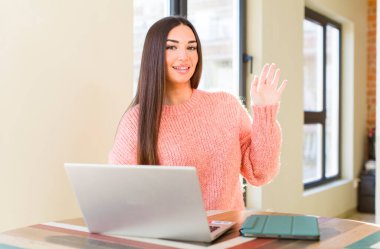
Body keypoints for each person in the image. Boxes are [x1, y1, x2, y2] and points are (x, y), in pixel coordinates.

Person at [108, 16, 287, 210]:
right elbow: (121, 196)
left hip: (229, 235)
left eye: (191, 47)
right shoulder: (136, 120)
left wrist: (265, 113)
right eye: (172, 47)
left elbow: (260, 173)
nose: (184, 56)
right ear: (154, 54)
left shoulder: (226, 106)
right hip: (170, 237)